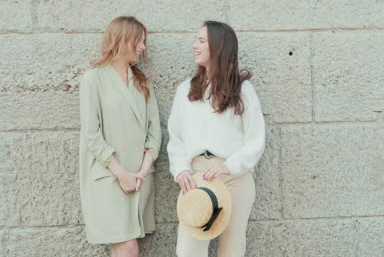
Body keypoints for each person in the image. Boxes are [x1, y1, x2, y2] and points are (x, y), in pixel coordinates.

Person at [167, 20, 265, 257]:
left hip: (234, 178)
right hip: (196, 178)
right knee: (188, 250)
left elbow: (256, 140)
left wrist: (229, 166)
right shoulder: (185, 90)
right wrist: (181, 170)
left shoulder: (243, 90)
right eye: (196, 40)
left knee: (231, 249)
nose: (194, 46)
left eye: (201, 41)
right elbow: (175, 137)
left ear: (218, 47)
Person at [79, 16, 161, 257]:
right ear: (123, 38)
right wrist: (121, 173)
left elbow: (154, 132)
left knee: (128, 244)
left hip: (139, 176)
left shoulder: (142, 82)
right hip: (110, 176)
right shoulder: (93, 79)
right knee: (126, 246)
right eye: (140, 41)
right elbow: (91, 135)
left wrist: (143, 171)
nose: (143, 47)